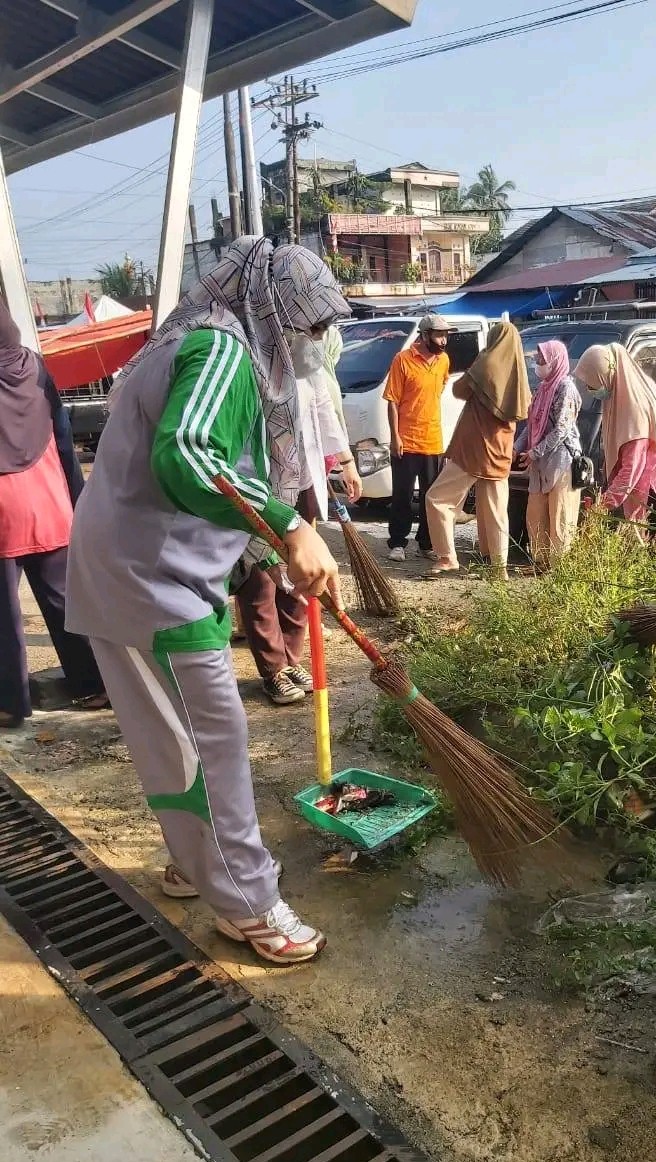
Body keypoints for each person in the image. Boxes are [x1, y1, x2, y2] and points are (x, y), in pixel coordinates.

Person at [66, 237, 349, 966]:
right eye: (313, 325)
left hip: (131, 568)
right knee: (214, 741)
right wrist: (288, 526)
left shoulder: (196, 341)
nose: (319, 341)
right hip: (154, 580)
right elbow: (189, 454)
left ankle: (194, 862)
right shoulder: (222, 349)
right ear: (274, 311)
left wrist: (275, 549)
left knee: (174, 737)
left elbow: (206, 467)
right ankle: (249, 903)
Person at [234, 326, 361, 706]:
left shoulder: (308, 365)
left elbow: (324, 412)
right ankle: (273, 668)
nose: (317, 335)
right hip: (259, 484)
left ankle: (292, 658)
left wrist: (347, 462)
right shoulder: (249, 361)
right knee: (259, 580)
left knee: (300, 574)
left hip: (303, 479)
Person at [0, 297, 108, 728]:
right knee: (65, 600)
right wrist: (78, 501)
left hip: (4, 509)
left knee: (4, 614)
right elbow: (63, 436)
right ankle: (94, 684)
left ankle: (10, 703)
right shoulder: (32, 366)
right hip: (49, 499)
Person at [424, 320, 530, 580]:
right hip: (501, 450)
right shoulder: (519, 373)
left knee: (437, 498)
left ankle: (447, 557)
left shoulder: (487, 364)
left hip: (474, 449)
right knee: (496, 511)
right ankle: (499, 567)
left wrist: (478, 363)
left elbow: (458, 390)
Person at [573, 343, 656, 543]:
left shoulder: (634, 408)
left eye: (591, 383)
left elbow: (632, 466)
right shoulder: (632, 392)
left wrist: (604, 504)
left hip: (655, 496)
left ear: (605, 375)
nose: (588, 389)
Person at [383, 314, 453, 562]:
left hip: (433, 441)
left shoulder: (443, 360)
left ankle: (426, 543)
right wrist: (395, 437)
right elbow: (392, 401)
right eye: (438, 335)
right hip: (407, 440)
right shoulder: (403, 360)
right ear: (424, 336)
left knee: (429, 497)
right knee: (402, 495)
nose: (443, 340)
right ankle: (397, 543)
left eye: (445, 335)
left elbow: (439, 390)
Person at [514, 340, 582, 569]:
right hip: (539, 462)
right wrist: (517, 447)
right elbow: (532, 424)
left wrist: (535, 452)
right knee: (536, 514)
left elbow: (562, 428)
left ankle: (558, 567)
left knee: (560, 514)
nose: (538, 363)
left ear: (555, 361)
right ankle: (540, 562)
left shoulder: (565, 388)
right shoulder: (542, 389)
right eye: (537, 359)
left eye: (542, 359)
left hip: (561, 460)